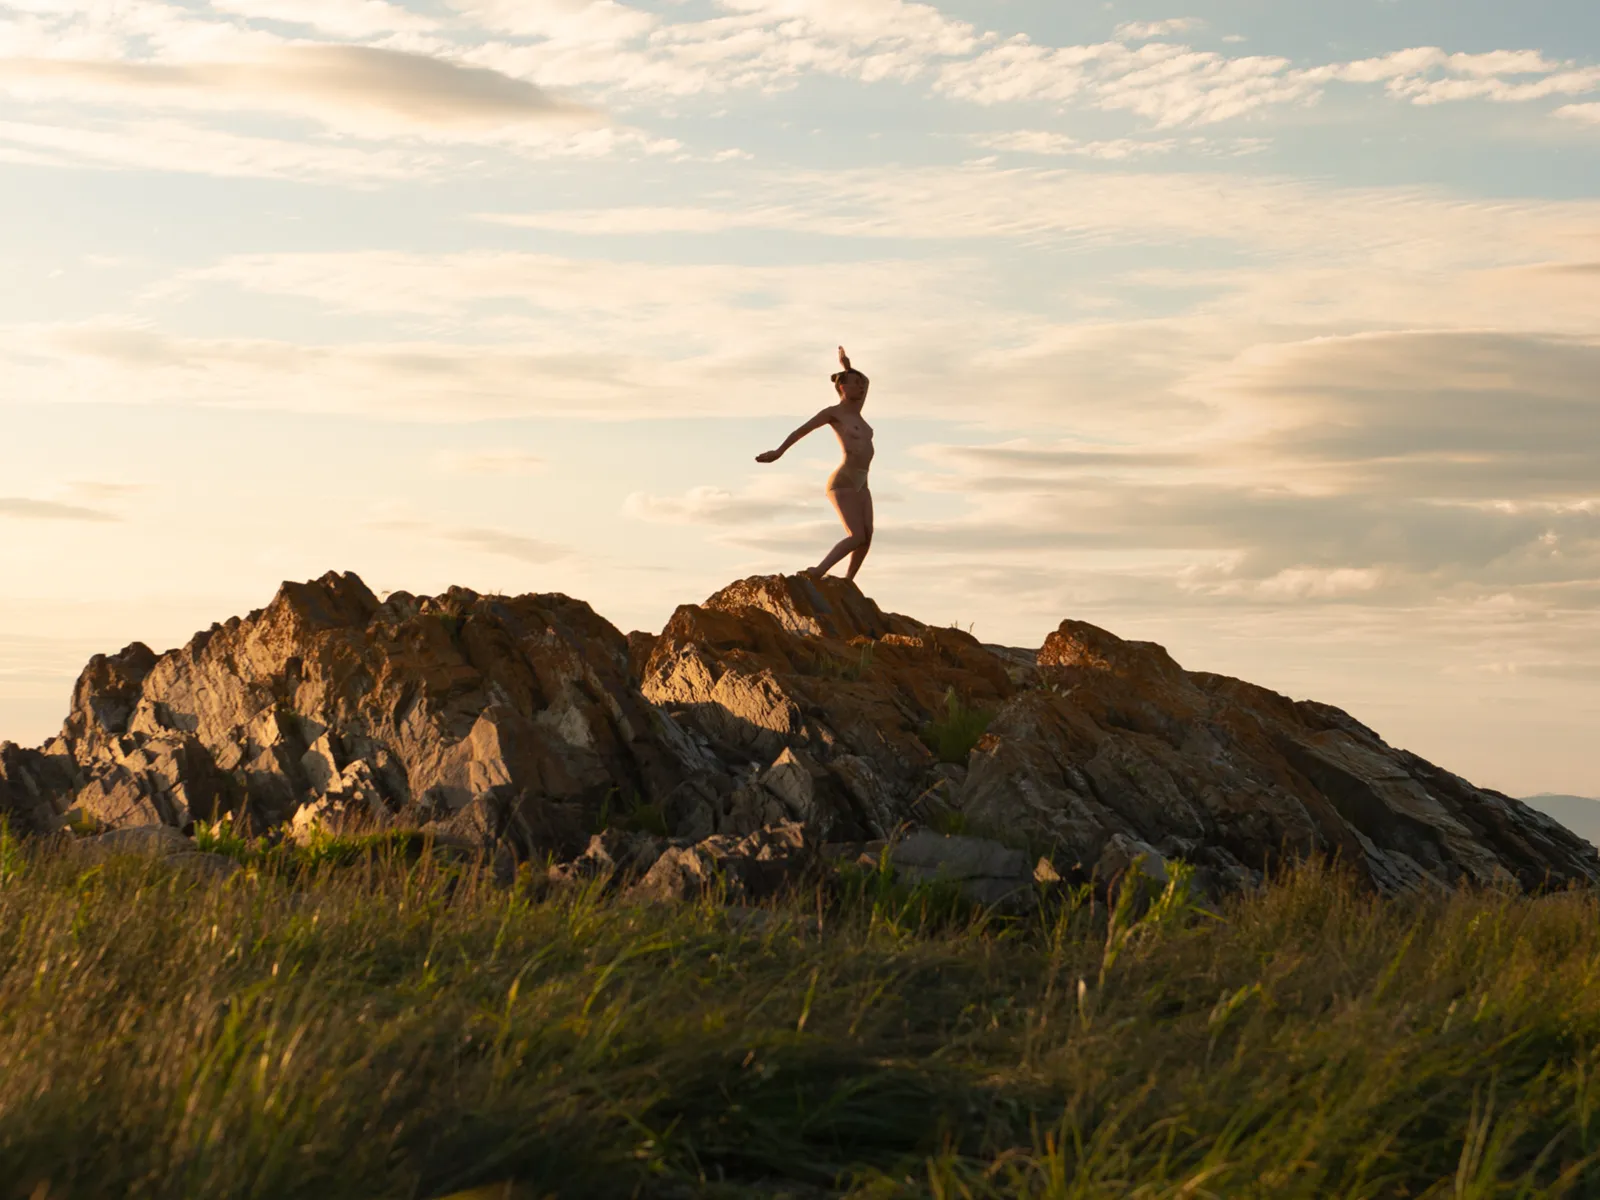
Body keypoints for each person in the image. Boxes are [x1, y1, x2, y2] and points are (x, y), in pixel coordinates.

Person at [756, 346, 875, 581]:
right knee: (856, 535)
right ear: (842, 387)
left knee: (867, 535)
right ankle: (818, 571)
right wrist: (779, 451)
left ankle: (849, 580)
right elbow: (802, 430)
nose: (861, 387)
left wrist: (849, 367)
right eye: (855, 383)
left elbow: (868, 381)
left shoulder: (857, 412)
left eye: (862, 385)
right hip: (845, 480)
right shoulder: (834, 413)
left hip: (863, 482)